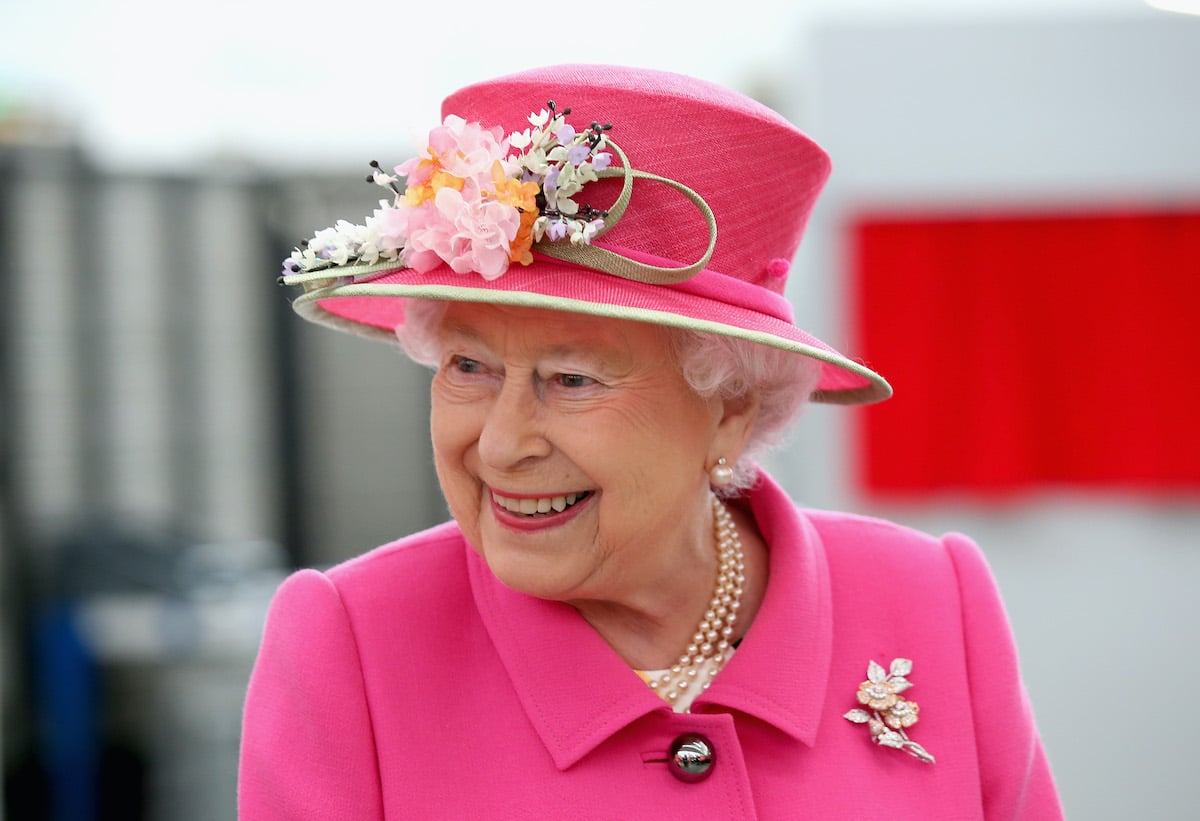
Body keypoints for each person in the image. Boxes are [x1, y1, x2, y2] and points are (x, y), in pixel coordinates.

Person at [239, 64, 1062, 819]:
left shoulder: (931, 601)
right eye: (469, 365)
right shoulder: (352, 643)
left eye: (572, 379)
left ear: (731, 408)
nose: (499, 444)